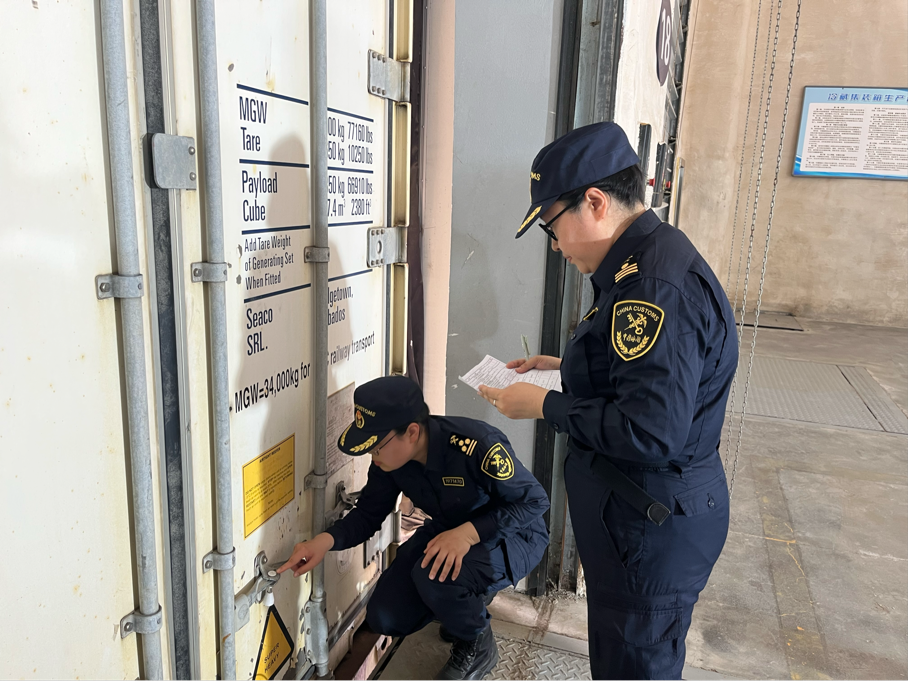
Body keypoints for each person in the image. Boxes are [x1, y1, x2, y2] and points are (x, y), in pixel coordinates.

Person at [477, 121, 738, 680]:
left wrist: (543, 406)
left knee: (634, 666)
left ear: (594, 202)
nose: (555, 246)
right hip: (643, 522)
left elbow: (650, 430)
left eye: (552, 226)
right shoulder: (646, 257)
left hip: (650, 531)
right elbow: (647, 375)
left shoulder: (652, 287)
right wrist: (565, 367)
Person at [278, 375, 549, 681]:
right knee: (385, 616)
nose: (372, 456)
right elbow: (368, 514)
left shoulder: (476, 445)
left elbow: (534, 502)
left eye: (376, 447)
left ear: (412, 432)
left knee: (433, 576)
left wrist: (467, 534)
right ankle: (461, 604)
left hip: (513, 535)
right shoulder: (390, 461)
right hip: (449, 531)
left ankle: (477, 644)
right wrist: (323, 542)